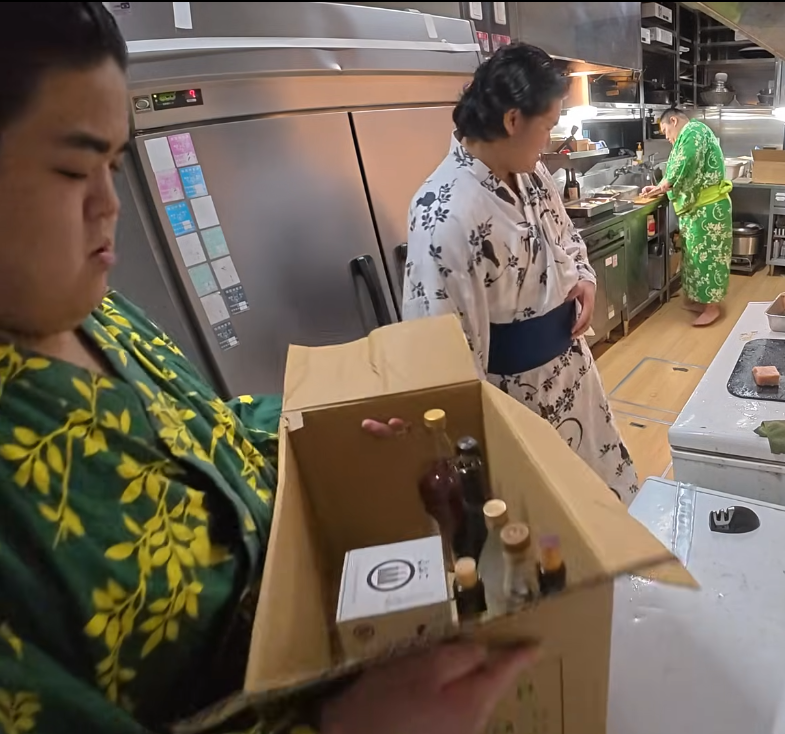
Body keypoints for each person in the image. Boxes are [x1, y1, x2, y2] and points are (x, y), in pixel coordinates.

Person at [0, 4, 538, 734]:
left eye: (115, 166)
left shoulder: (99, 313)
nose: (109, 206)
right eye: (72, 169)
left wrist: (321, 424)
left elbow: (204, 431)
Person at [402, 43, 639, 504]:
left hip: (572, 374)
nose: (548, 141)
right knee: (551, 515)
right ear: (513, 120)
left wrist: (584, 277)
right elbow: (439, 352)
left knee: (602, 500)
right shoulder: (444, 213)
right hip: (515, 399)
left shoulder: (530, 172)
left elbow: (565, 234)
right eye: (547, 127)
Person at [642, 108, 733, 327]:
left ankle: (712, 308)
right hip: (699, 209)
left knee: (709, 259)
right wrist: (661, 186)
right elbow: (681, 164)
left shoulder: (693, 130)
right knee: (695, 258)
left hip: (709, 209)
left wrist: (665, 184)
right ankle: (700, 302)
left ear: (673, 120)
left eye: (666, 130)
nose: (667, 137)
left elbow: (687, 159)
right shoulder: (689, 134)